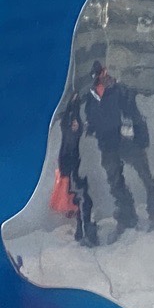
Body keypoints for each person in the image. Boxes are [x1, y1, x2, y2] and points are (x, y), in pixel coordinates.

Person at [83, 60, 154, 243]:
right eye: (97, 75)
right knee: (115, 182)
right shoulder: (91, 97)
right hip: (107, 144)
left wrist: (140, 138)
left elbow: (134, 115)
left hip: (127, 141)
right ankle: (127, 216)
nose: (100, 77)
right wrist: (90, 128)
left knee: (145, 175)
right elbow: (91, 118)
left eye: (101, 73)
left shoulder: (120, 91)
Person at [58, 93, 98, 247]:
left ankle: (85, 230)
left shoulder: (73, 127)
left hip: (78, 165)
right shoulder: (69, 127)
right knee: (81, 197)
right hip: (74, 166)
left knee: (83, 197)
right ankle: (84, 230)